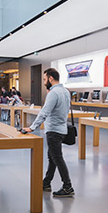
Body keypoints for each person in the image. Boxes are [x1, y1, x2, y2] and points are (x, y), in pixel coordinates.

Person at [22, 68, 74, 197]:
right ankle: (46, 182)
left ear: (51, 78)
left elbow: (44, 112)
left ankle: (68, 186)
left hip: (53, 131)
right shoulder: (65, 91)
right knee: (52, 158)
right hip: (62, 129)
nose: (44, 82)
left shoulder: (53, 93)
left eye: (45, 79)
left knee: (57, 158)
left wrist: (32, 127)